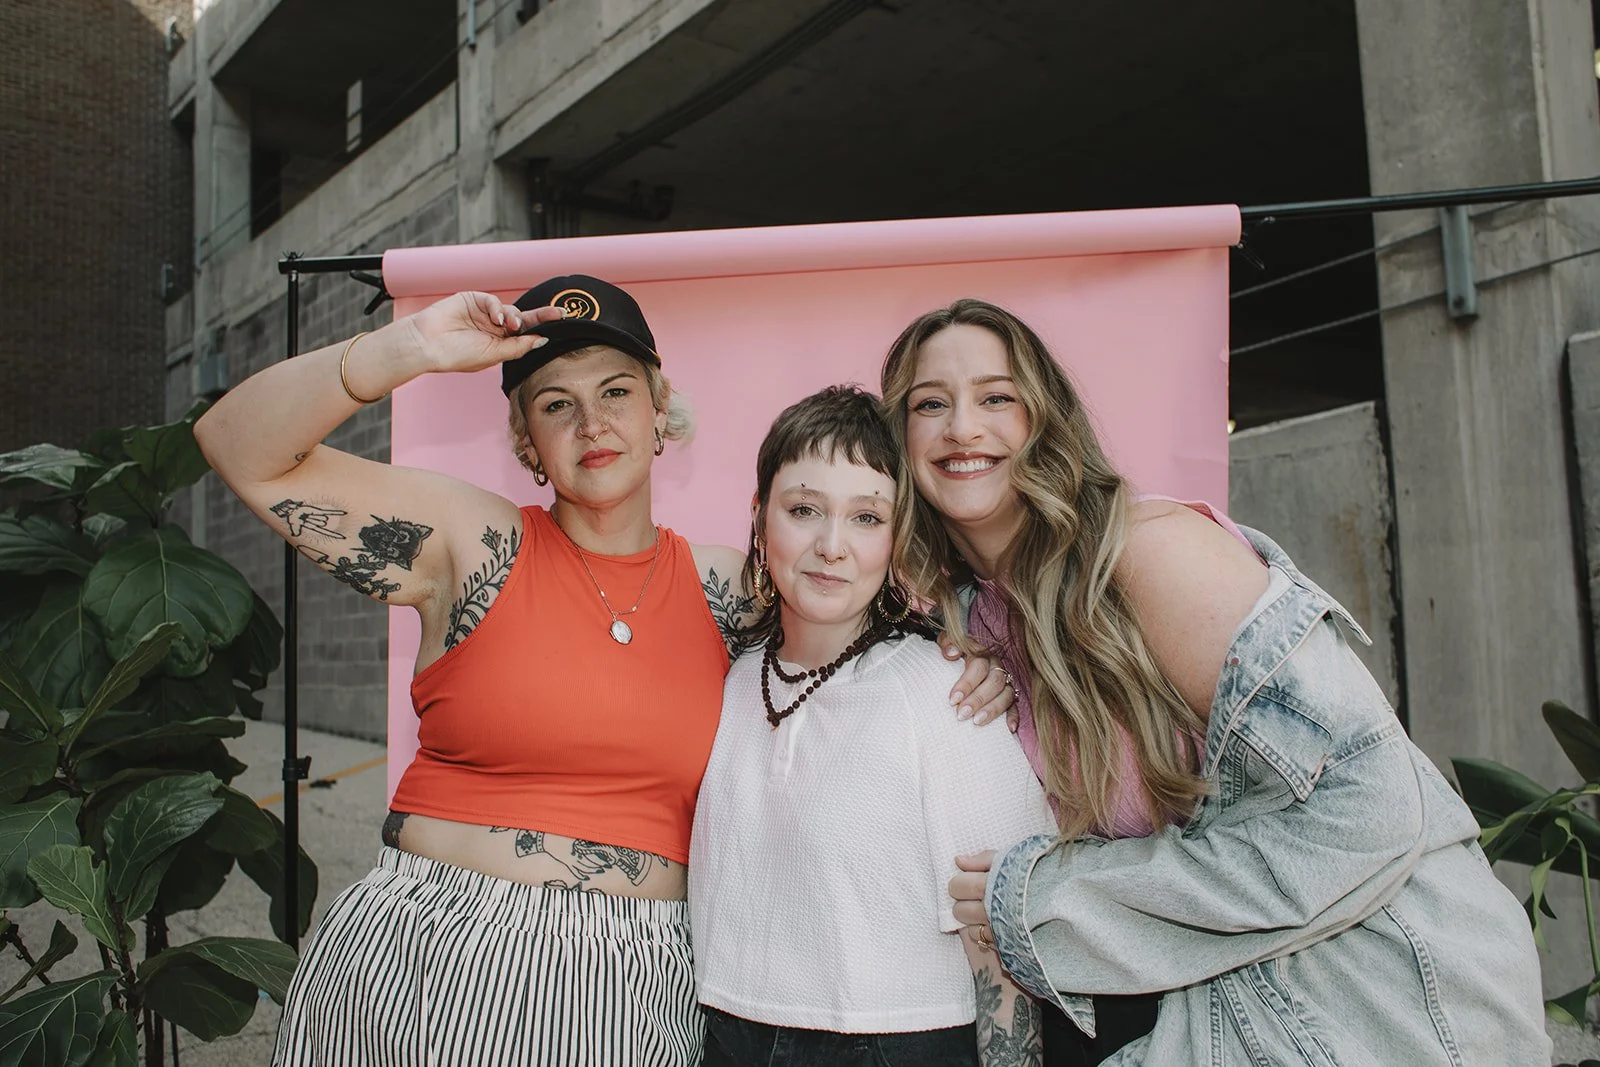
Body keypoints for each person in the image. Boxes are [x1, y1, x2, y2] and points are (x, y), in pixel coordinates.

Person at [194, 277, 1011, 1066]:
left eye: (616, 391)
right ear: (527, 441)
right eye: (557, 404)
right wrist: (407, 348)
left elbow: (860, 575)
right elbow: (237, 446)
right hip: (426, 957)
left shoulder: (733, 590)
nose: (592, 423)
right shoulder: (471, 545)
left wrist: (972, 646)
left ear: (659, 413)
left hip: (635, 987)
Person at [877, 298, 1551, 1066]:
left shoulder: (1146, 554)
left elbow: (1371, 808)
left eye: (997, 397)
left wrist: (1050, 897)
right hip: (1212, 1007)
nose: (963, 428)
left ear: (1044, 419)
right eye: (931, 404)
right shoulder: (978, 620)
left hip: (1380, 994)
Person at [689, 385, 1058, 1067]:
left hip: (900, 1040)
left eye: (866, 517)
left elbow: (1001, 935)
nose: (832, 546)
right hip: (727, 1030)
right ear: (760, 516)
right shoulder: (733, 677)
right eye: (804, 509)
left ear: (897, 537)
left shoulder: (948, 689)